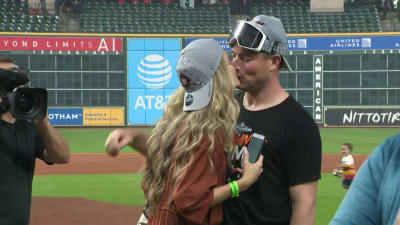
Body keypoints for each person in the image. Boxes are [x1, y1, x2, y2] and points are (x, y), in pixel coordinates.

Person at [105, 39, 263, 225]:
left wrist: (134, 137)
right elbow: (188, 202)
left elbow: (170, 160)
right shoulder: (209, 130)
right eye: (229, 62)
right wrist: (241, 184)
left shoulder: (187, 118)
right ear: (217, 74)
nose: (235, 66)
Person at [222, 15, 322, 225]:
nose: (235, 65)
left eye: (246, 58)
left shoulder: (298, 124)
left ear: (274, 61)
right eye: (234, 56)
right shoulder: (229, 106)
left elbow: (304, 205)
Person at [0, 56, 71, 225]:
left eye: (14, 84)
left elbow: (62, 156)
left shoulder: (28, 128)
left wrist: (43, 123)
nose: (8, 90)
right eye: (3, 83)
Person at [330, 134, 400, 225]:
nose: (342, 151)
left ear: (349, 150)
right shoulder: (388, 150)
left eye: (344, 149)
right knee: (346, 186)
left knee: (347, 186)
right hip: (348, 176)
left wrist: (339, 168)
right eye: (342, 149)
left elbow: (348, 167)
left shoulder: (388, 152)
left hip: (349, 176)